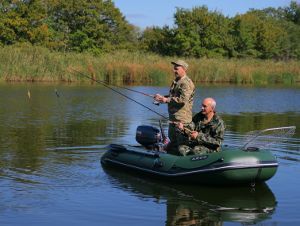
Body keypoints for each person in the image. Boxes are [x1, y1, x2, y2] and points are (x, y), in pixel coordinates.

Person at [154, 60, 195, 152]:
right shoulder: (177, 81)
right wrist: (162, 97)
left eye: (176, 69)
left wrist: (166, 100)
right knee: (173, 143)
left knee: (182, 146)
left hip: (182, 120)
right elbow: (174, 97)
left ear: (184, 69)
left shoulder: (186, 83)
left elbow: (183, 100)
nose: (174, 70)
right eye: (174, 68)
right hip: (173, 119)